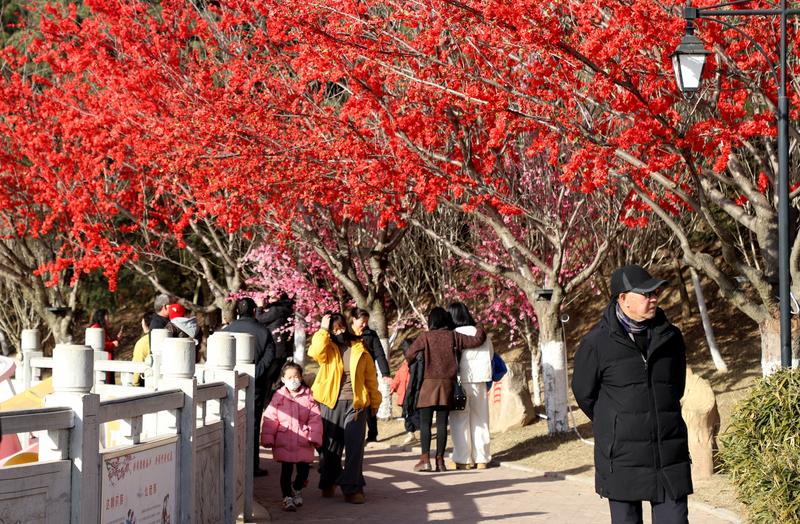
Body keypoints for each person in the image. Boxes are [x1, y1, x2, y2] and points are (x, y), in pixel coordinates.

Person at [572, 264, 692, 524]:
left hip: (668, 455)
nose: (654, 298)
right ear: (623, 298)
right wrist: (616, 422)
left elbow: (675, 387)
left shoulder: (671, 337)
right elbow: (584, 394)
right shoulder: (596, 343)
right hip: (622, 458)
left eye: (655, 293)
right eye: (646, 294)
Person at [308, 313, 381, 504]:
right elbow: (315, 352)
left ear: (346, 326)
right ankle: (329, 480)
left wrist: (375, 401)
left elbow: (370, 377)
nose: (338, 332)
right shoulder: (327, 347)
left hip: (356, 404)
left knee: (355, 447)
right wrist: (323, 330)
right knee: (331, 448)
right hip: (331, 403)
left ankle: (352, 488)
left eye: (340, 327)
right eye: (334, 329)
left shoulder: (359, 347)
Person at [405, 307, 486, 473]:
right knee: (442, 424)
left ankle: (425, 460)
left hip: (428, 385)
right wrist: (479, 325)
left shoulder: (425, 337)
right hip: (447, 385)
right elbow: (477, 340)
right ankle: (440, 461)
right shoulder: (453, 336)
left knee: (426, 424)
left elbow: (409, 355)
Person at [224, 297, 276, 477]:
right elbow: (270, 357)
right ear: (254, 311)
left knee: (229, 421)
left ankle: (231, 462)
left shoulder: (227, 330)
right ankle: (252, 465)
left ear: (238, 312)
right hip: (256, 385)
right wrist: (255, 373)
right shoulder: (263, 331)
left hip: (229, 384)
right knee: (252, 424)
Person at [260, 361, 323, 512]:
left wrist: (314, 436)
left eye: (296, 376)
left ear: (301, 377)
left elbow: (315, 418)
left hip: (303, 440)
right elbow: (271, 418)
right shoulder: (278, 397)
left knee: (303, 472)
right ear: (283, 379)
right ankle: (287, 497)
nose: (293, 380)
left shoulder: (309, 397)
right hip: (284, 440)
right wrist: (268, 438)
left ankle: (297, 487)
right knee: (286, 471)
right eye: (289, 377)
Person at [447, 302, 493, 470]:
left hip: (460, 382)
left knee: (459, 420)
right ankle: (482, 458)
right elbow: (491, 355)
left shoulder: (453, 335)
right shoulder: (481, 334)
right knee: (481, 419)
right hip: (480, 380)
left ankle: (463, 459)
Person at [349, 308, 392, 442]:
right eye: (362, 322)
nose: (364, 325)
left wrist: (385, 373)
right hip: (351, 375)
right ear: (354, 319)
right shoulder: (347, 334)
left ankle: (372, 434)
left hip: (368, 374)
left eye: (366, 322)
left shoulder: (371, 334)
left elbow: (379, 354)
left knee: (370, 402)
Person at [256, 292, 295, 402]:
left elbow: (259, 319)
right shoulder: (285, 309)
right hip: (282, 350)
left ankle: (267, 402)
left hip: (275, 350)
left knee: (268, 378)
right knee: (273, 378)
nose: (268, 300)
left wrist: (259, 307)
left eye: (271, 297)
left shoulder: (277, 310)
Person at [90, 308, 122, 384]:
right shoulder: (96, 328)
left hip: (108, 359)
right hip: (103, 360)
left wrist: (116, 339)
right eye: (107, 316)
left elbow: (107, 342)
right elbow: (99, 344)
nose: (108, 319)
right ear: (102, 317)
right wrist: (112, 344)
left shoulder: (103, 328)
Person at [131, 311, 154, 386]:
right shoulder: (166, 338)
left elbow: (138, 363)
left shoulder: (142, 342)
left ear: (144, 324)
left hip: (147, 381)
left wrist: (135, 383)